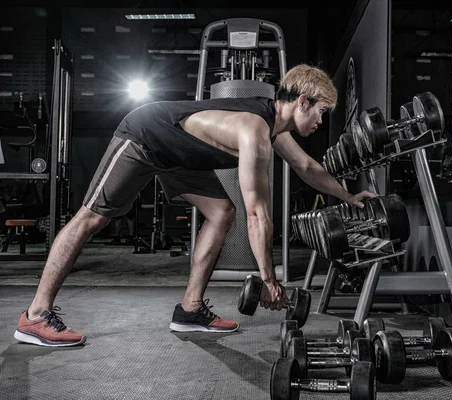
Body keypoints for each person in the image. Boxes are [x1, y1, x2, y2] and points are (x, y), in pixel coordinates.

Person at [14, 63, 377, 347]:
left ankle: (190, 309)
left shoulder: (273, 128)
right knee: (92, 218)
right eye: (321, 112)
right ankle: (36, 315)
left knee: (222, 212)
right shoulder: (255, 131)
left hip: (179, 158)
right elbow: (257, 212)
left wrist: (348, 196)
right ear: (302, 101)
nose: (320, 121)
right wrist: (268, 279)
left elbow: (307, 167)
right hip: (147, 134)